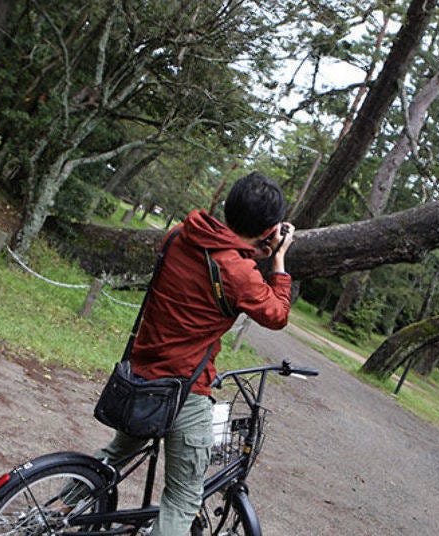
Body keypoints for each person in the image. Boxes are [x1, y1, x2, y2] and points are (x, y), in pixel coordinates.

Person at [98, 171, 295, 535]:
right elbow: (277, 314)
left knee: (111, 458)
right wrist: (278, 260)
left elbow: (211, 269)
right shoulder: (240, 272)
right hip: (182, 390)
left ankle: (53, 512)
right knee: (184, 497)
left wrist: (256, 251)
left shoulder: (179, 235)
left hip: (140, 373)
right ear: (269, 228)